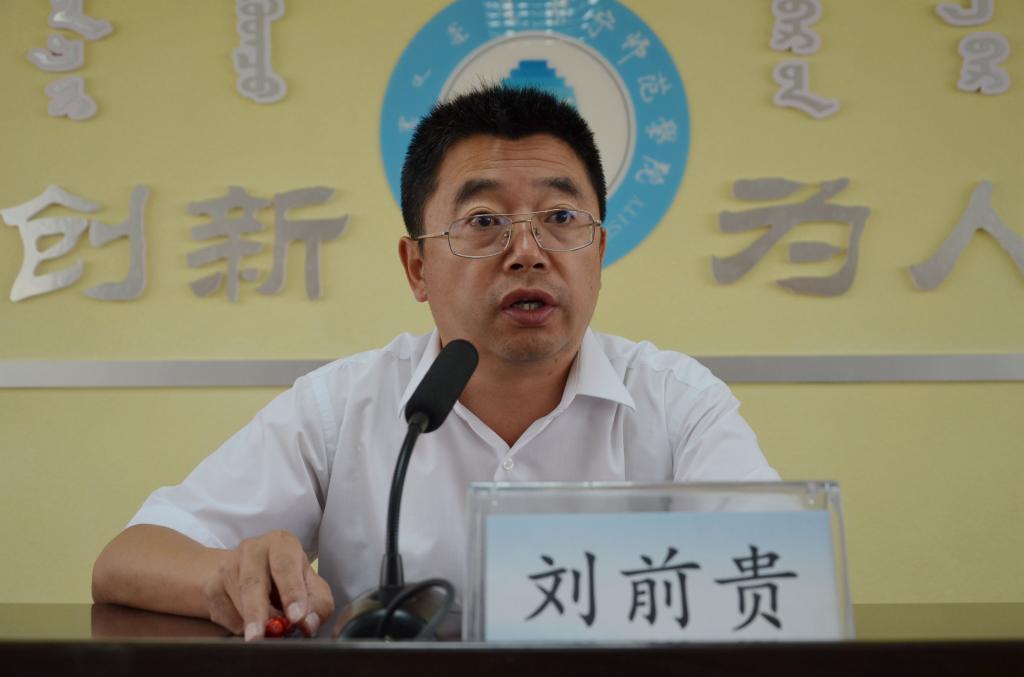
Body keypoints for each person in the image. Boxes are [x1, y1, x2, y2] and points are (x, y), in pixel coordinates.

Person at [92, 85, 778, 641]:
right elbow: (129, 559)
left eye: (562, 218)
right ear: (417, 266)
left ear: (597, 253)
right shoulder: (342, 406)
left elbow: (775, 572)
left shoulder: (678, 403)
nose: (528, 252)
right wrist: (229, 578)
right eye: (483, 221)